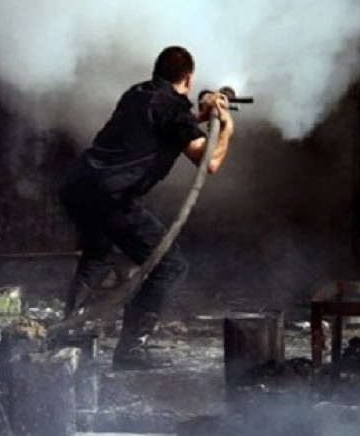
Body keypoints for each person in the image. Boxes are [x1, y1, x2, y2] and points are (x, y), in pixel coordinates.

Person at [59, 45, 234, 370]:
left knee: (98, 254)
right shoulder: (175, 110)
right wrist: (226, 128)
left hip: (79, 185)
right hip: (112, 196)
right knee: (170, 266)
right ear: (189, 78)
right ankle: (131, 351)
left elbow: (162, 124)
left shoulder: (137, 94)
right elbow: (209, 162)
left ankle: (64, 335)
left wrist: (199, 114)